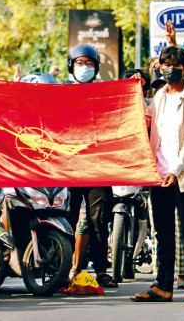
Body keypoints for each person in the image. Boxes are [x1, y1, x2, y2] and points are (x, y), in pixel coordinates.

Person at [132, 46, 184, 303]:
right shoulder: (160, 95)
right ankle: (163, 285)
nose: (168, 69)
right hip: (159, 174)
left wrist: (176, 170)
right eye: (165, 64)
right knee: (163, 233)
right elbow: (145, 121)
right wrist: (136, 93)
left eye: (174, 65)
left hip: (183, 176)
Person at [64, 44, 118, 288]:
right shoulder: (59, 93)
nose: (84, 67)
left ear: (96, 68)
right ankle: (66, 268)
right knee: (68, 219)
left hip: (98, 167)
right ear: (70, 66)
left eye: (89, 63)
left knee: (98, 222)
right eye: (79, 63)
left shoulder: (104, 93)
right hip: (67, 168)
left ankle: (101, 270)